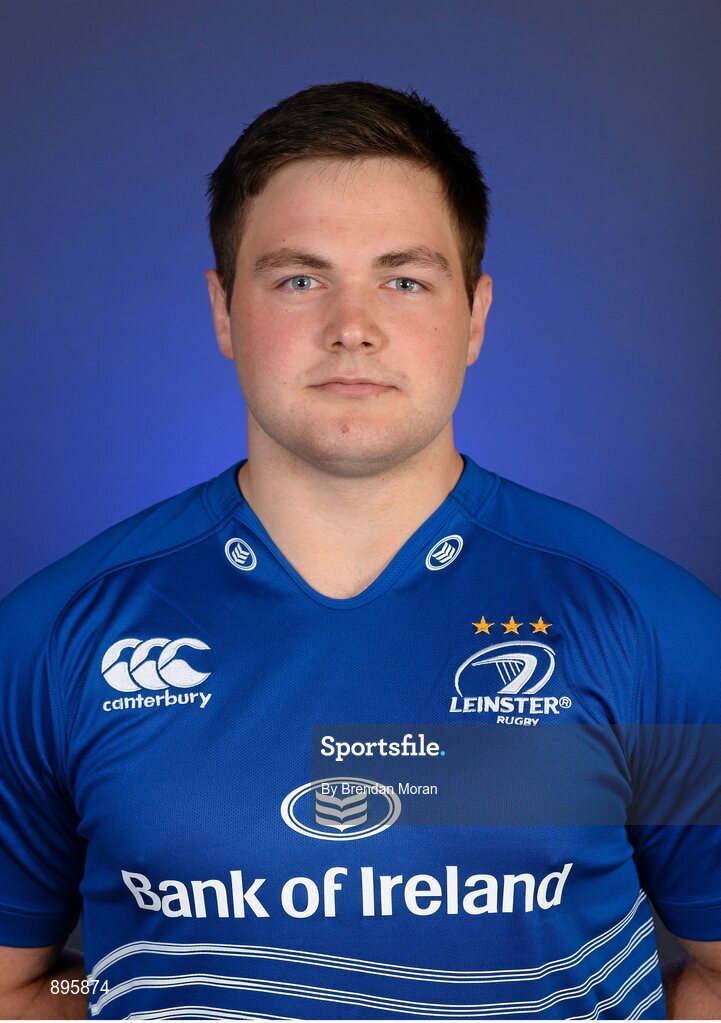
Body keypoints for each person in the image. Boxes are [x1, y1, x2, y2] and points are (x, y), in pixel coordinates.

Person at [0, 80, 720, 1022]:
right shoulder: (51, 637)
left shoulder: (655, 627)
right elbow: (24, 984)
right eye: (299, 277)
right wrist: (132, 985)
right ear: (222, 311)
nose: (352, 325)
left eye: (404, 278)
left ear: (475, 315)